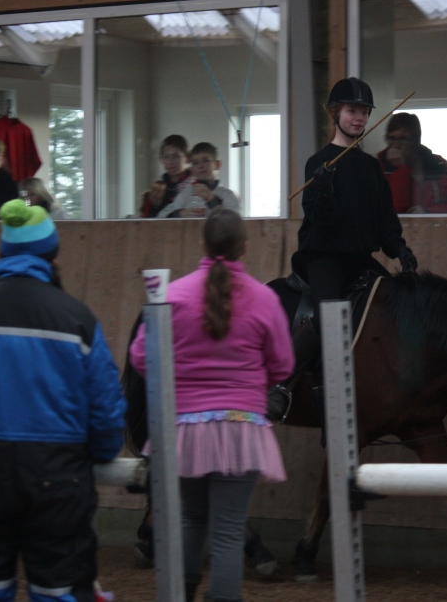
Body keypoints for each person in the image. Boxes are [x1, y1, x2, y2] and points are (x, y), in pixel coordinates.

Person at [0, 199, 127, 602]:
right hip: (56, 476)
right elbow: (104, 407)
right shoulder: (76, 317)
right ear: (52, 256)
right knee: (59, 592)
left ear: (2, 253)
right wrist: (101, 452)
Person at [130, 209, 294, 602]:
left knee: (190, 518)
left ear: (203, 244)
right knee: (228, 530)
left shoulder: (173, 296)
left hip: (185, 431)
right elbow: (283, 365)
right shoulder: (265, 299)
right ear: (244, 246)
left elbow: (140, 357)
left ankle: (181, 594)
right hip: (242, 429)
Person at [291, 77, 417, 347]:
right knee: (331, 325)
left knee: (400, 307)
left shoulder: (371, 166)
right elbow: (320, 220)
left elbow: (384, 218)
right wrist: (325, 190)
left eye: (364, 112)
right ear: (335, 113)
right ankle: (306, 371)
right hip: (325, 260)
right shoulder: (318, 163)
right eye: (352, 111)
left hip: (360, 261)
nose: (359, 118)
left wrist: (399, 249)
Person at [375, 112, 447, 213]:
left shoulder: (438, 164)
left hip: (435, 221)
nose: (396, 145)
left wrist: (428, 212)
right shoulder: (379, 166)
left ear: (416, 140)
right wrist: (401, 168)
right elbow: (395, 208)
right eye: (392, 139)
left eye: (403, 139)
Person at [158, 142, 240, 218]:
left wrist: (212, 200)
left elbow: (233, 222)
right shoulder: (186, 194)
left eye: (205, 160)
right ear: (192, 170)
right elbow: (161, 216)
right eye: (195, 163)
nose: (200, 166)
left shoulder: (228, 195)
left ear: (217, 164)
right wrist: (179, 214)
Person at [139, 134, 191, 218]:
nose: (171, 162)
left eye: (176, 156)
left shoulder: (195, 184)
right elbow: (147, 221)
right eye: (166, 157)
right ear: (161, 160)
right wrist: (155, 206)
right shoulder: (158, 188)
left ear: (187, 158)